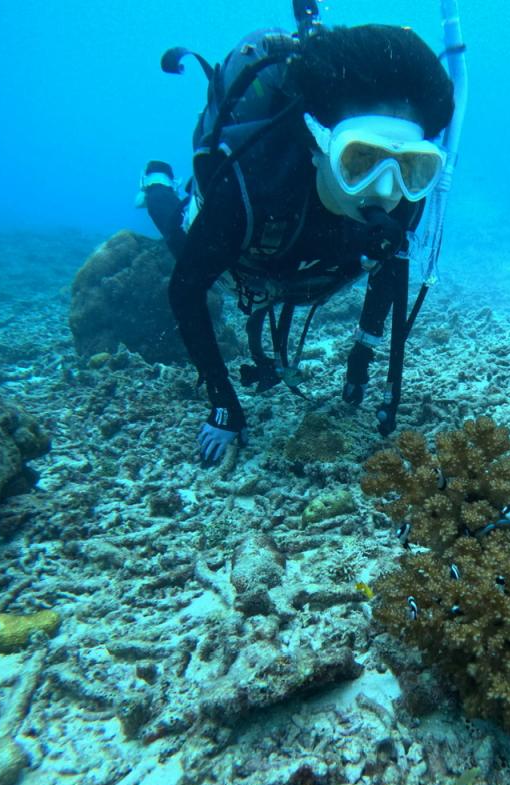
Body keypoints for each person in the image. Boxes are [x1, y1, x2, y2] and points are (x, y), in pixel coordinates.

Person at [139, 11, 456, 465]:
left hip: (310, 271)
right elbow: (185, 290)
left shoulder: (405, 193)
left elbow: (390, 263)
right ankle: (156, 182)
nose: (386, 191)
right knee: (177, 234)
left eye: (410, 166)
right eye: (361, 159)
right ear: (316, 143)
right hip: (247, 261)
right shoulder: (251, 185)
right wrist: (224, 405)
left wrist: (363, 354)